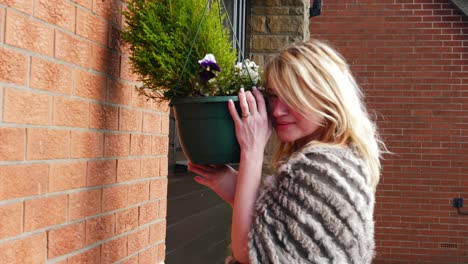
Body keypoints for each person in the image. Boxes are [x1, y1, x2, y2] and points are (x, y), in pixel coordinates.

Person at [188, 39, 385, 264]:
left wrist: (251, 150)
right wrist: (234, 186)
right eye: (273, 96)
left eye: (292, 96)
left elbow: (250, 252)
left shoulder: (321, 168)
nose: (278, 110)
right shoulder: (340, 160)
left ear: (327, 97)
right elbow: (279, 230)